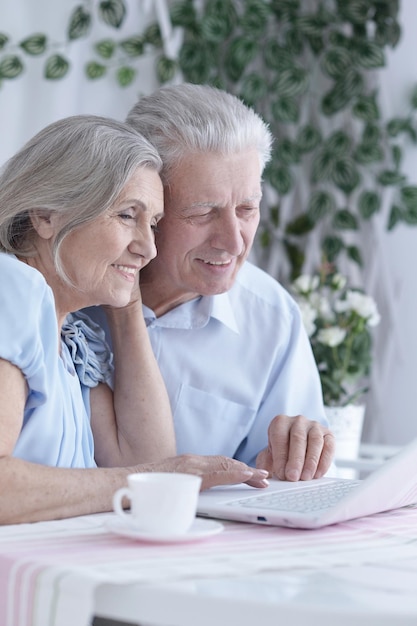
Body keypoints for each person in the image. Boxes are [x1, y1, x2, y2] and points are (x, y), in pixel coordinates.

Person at [0, 114, 269, 525]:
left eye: (155, 224)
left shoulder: (71, 334)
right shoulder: (12, 291)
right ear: (46, 215)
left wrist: (125, 297)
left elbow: (145, 462)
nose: (149, 249)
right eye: (128, 215)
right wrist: (152, 476)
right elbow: (149, 474)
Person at [84, 84, 335, 483]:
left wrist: (292, 456)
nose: (234, 242)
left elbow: (281, 477)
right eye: (203, 213)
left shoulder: (270, 316)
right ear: (140, 203)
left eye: (247, 209)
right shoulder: (64, 291)